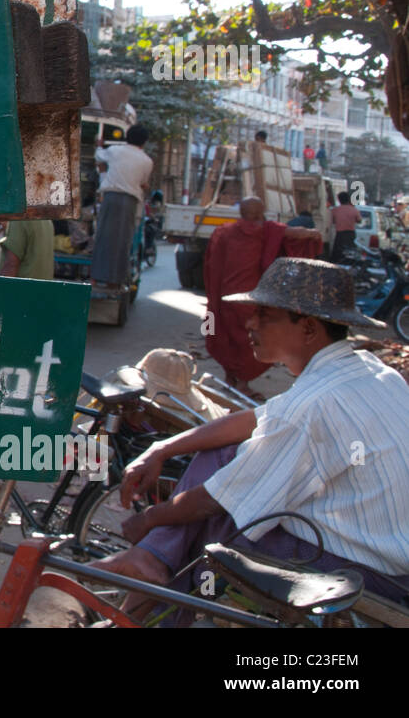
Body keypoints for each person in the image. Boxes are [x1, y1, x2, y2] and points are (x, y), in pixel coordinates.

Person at [93, 258, 409, 617]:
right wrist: (162, 446)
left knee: (217, 530)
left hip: (367, 570)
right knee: (220, 455)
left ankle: (147, 585)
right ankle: (150, 566)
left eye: (266, 315)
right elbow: (255, 420)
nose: (250, 323)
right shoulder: (373, 372)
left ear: (307, 328)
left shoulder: (312, 406)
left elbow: (217, 499)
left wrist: (150, 520)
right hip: (391, 555)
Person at [204, 197, 321, 398]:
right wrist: (315, 234)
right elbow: (300, 234)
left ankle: (230, 378)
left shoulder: (224, 231)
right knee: (249, 341)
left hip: (225, 295)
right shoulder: (266, 230)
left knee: (227, 337)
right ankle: (242, 383)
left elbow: (211, 263)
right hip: (251, 297)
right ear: (260, 213)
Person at [330, 190, 360, 261]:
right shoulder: (354, 210)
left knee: (338, 254)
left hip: (340, 235)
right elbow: (359, 220)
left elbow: (333, 221)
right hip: (350, 234)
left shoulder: (335, 210)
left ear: (339, 200)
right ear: (348, 199)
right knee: (351, 253)